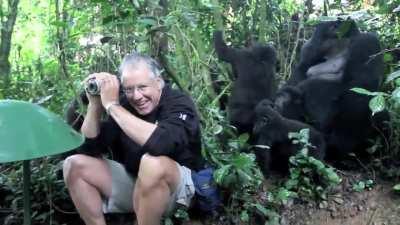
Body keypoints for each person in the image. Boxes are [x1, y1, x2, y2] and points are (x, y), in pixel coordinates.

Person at [63, 53, 204, 225]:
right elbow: (89, 148)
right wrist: (95, 105)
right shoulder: (124, 105)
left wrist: (112, 106)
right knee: (73, 165)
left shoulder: (177, 102)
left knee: (152, 163)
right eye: (129, 89)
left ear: (158, 82)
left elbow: (162, 144)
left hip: (178, 192)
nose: (136, 96)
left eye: (142, 87)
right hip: (137, 184)